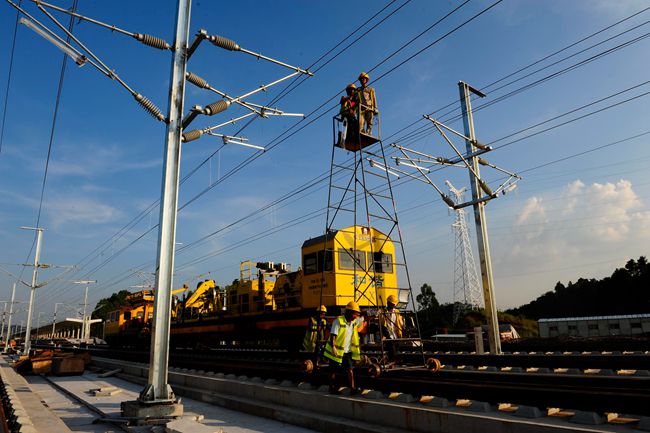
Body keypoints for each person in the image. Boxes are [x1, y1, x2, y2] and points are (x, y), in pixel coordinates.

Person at [324, 301, 365, 394]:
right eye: (355, 314)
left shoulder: (353, 322)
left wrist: (371, 315)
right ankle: (332, 388)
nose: (356, 317)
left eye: (357, 315)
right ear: (349, 312)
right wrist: (333, 347)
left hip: (347, 351)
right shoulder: (338, 321)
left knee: (350, 370)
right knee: (333, 371)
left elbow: (361, 319)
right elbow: (333, 335)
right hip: (336, 351)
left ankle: (352, 388)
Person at [379, 294, 404, 362]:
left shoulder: (396, 312)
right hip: (387, 335)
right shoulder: (382, 312)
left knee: (396, 348)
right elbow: (382, 324)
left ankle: (391, 361)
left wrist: (403, 326)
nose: (393, 306)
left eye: (394, 304)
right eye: (392, 304)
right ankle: (393, 360)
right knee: (391, 347)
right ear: (388, 303)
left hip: (396, 334)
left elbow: (400, 322)